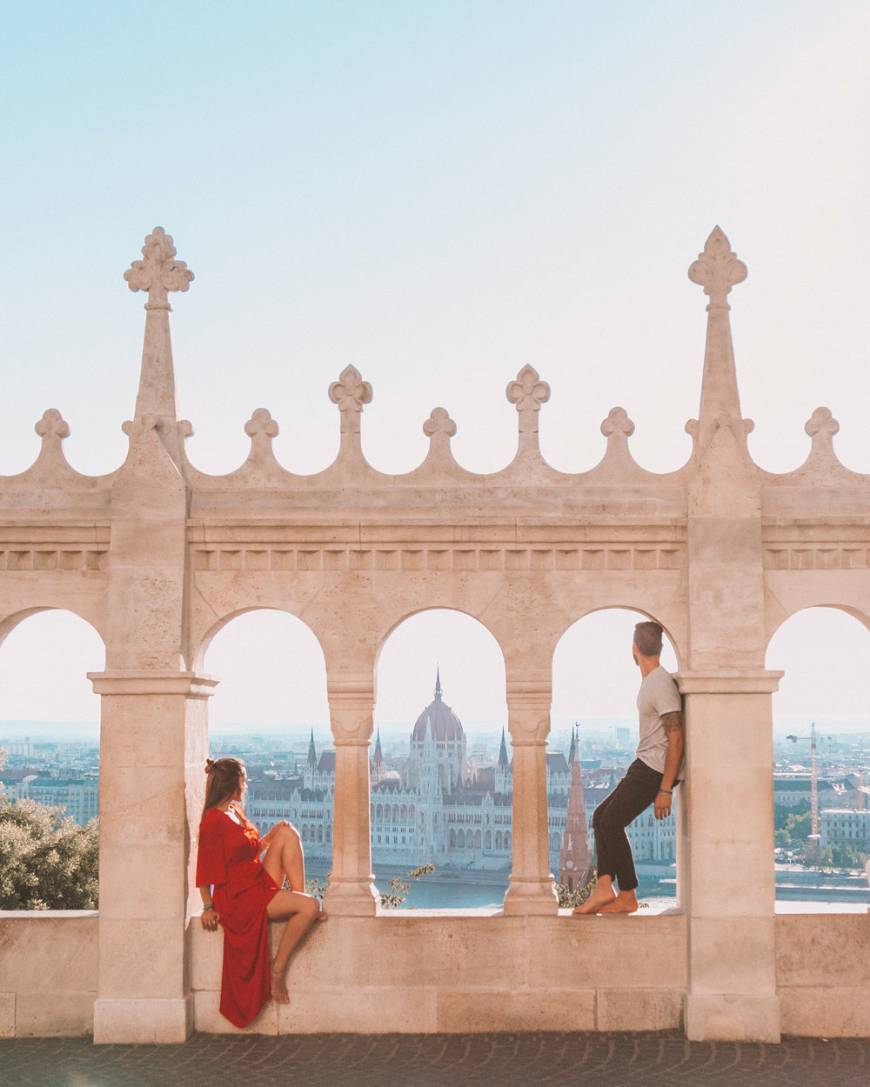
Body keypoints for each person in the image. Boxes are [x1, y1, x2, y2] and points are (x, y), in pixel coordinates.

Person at [196, 756, 327, 1028]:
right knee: (310, 907)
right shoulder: (212, 821)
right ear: (233, 782)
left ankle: (296, 899)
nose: (247, 783)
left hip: (254, 880)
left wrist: (272, 834)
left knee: (288, 833)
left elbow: (250, 849)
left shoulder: (233, 810)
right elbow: (204, 869)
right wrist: (208, 907)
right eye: (244, 779)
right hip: (238, 897)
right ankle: (277, 971)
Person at [573, 620, 684, 916]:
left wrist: (665, 789)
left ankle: (627, 894)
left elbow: (676, 735)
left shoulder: (659, 683)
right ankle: (604, 888)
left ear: (634, 649)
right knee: (601, 817)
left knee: (611, 822)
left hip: (653, 769)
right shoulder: (652, 682)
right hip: (645, 764)